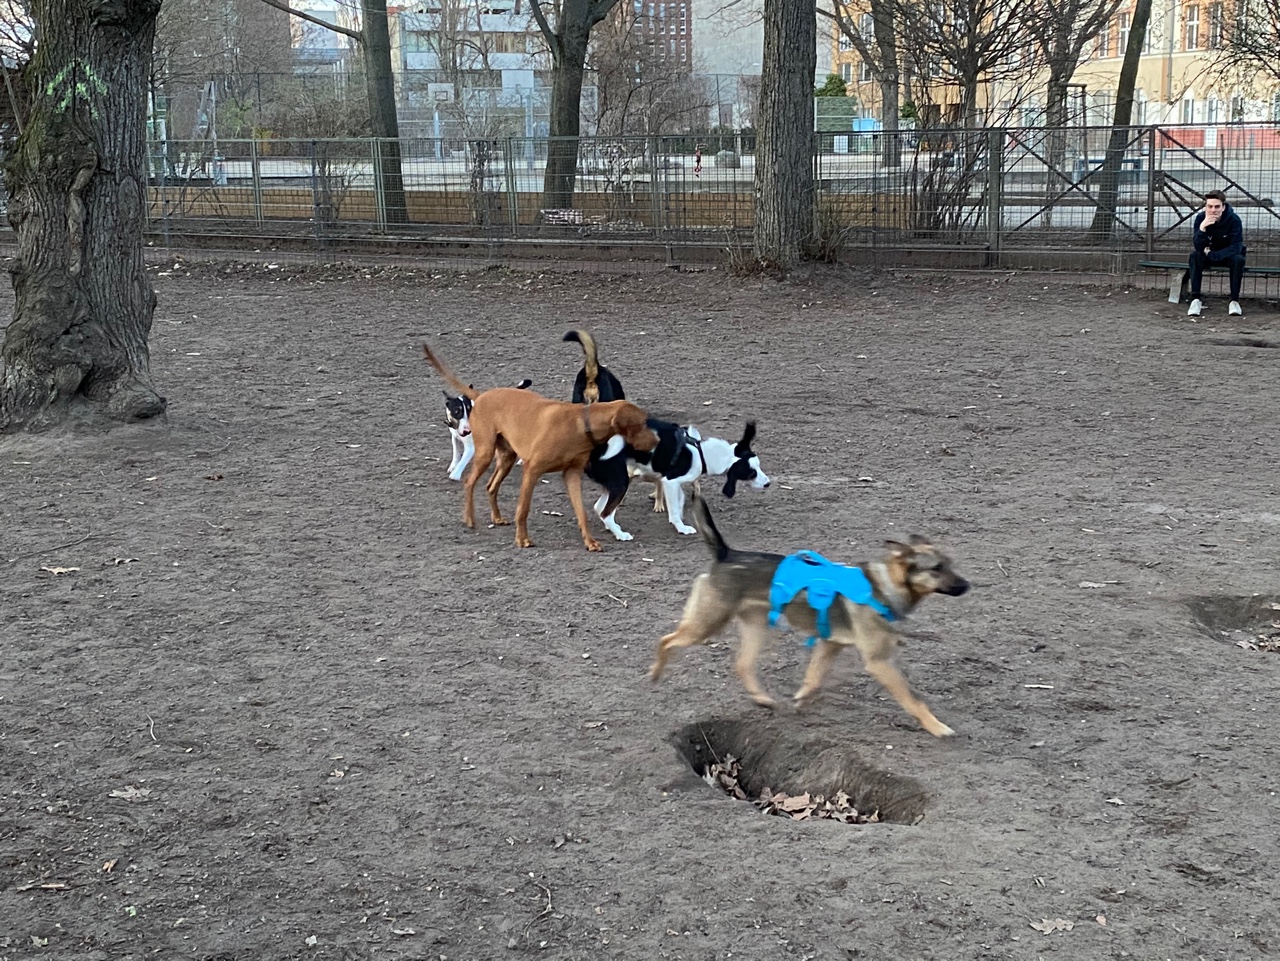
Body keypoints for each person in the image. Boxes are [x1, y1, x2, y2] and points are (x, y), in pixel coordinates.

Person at [1187, 189, 1246, 317]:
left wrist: (1214, 255)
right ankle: (1195, 299)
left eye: (1217, 206)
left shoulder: (1234, 220)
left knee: (1239, 260)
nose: (1213, 210)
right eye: (1210, 206)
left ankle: (1234, 301)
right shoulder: (1201, 218)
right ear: (1206, 207)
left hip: (1227, 255)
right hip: (1207, 254)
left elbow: (1236, 246)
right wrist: (1202, 229)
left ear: (1223, 207)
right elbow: (1198, 246)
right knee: (1194, 256)